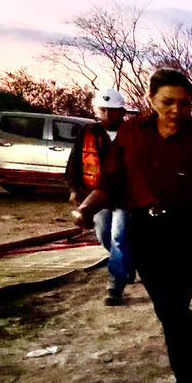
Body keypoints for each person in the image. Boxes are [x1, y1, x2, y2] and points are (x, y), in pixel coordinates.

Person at [72, 69, 192, 383]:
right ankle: (191, 381)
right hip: (144, 231)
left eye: (184, 103)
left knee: (172, 306)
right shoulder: (133, 132)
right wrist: (87, 208)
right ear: (151, 99)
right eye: (168, 102)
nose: (176, 109)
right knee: (168, 310)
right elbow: (111, 180)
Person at [66, 88, 132, 306]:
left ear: (122, 111)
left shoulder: (132, 133)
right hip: (97, 197)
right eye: (103, 110)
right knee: (104, 235)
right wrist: (74, 189)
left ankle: (116, 284)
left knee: (118, 237)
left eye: (112, 110)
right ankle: (127, 265)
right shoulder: (88, 132)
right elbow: (74, 163)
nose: (107, 114)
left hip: (124, 196)